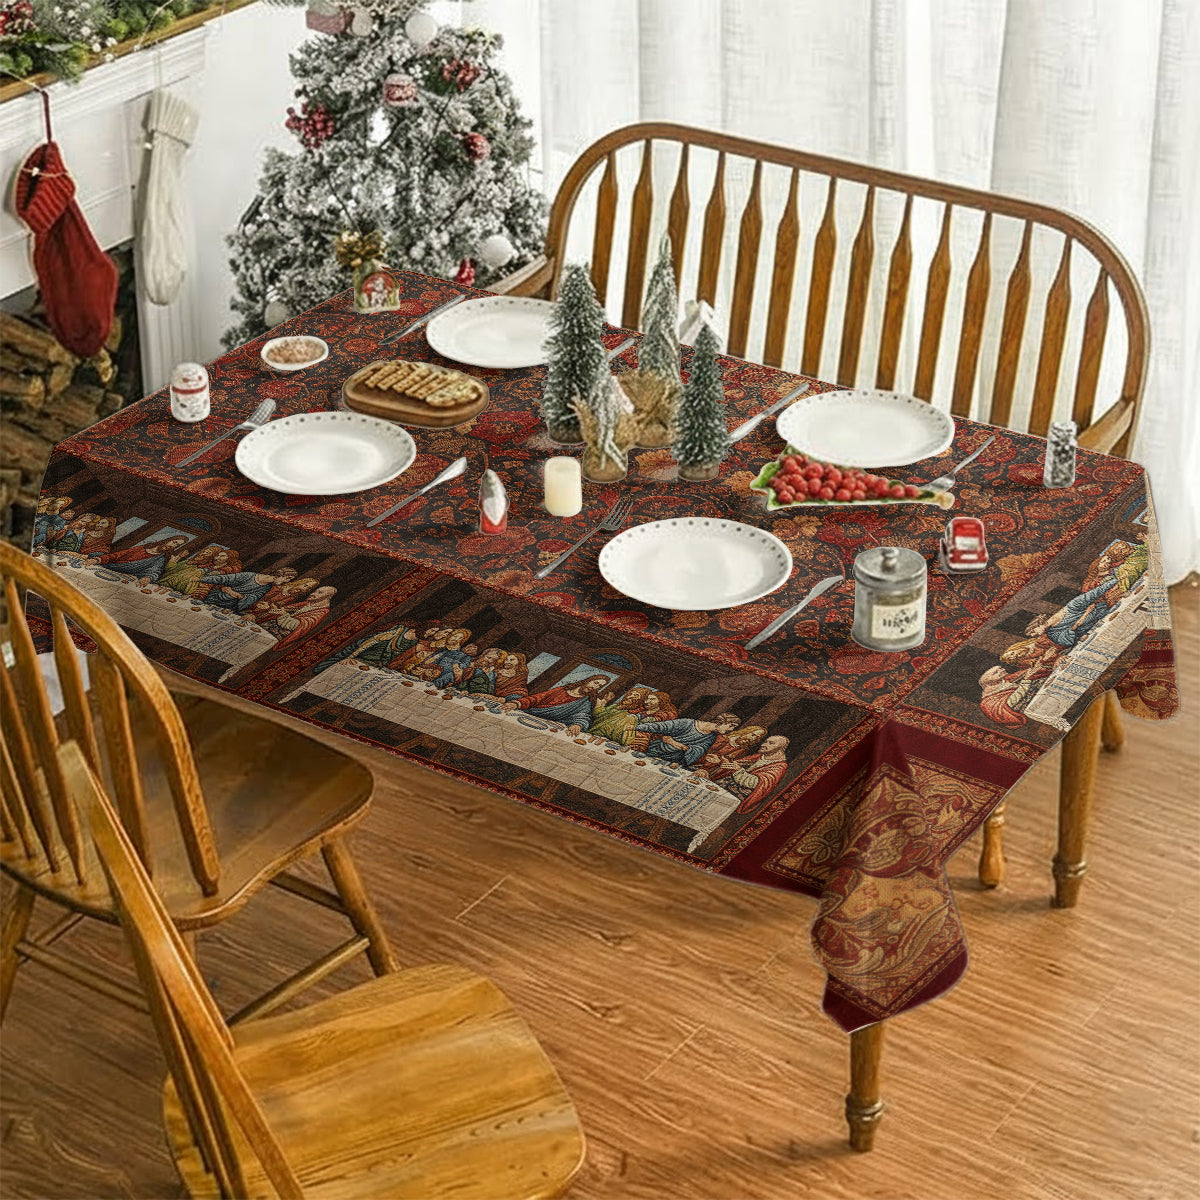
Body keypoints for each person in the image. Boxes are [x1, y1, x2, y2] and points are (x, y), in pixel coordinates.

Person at [501, 674, 610, 736]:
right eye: (595, 683)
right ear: (588, 680)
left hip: (548, 728)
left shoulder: (585, 702)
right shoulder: (561, 690)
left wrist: (578, 724)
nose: (595, 687)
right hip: (530, 716)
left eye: (599, 687)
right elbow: (537, 698)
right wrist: (517, 703)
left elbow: (583, 716)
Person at [636, 712, 741, 769]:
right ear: (721, 721)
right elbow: (660, 726)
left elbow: (697, 752)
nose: (731, 729)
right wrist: (635, 727)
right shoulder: (687, 723)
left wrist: (673, 743)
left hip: (673, 763)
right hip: (655, 753)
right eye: (731, 725)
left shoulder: (711, 737)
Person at [728, 735, 791, 813]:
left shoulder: (779, 766)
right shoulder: (761, 756)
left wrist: (738, 770)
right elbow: (739, 762)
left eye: (771, 743)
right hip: (735, 783)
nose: (763, 745)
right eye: (765, 742)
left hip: (744, 793)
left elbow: (755, 783)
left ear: (780, 749)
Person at [200, 565, 297, 613]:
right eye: (288, 578)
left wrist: (234, 593)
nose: (286, 581)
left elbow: (251, 600)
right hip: (215, 599)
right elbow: (224, 579)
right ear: (281, 575)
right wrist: (201, 579)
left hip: (228, 608)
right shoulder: (249, 576)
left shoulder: (267, 587)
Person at [265, 585, 337, 649]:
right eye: (315, 591)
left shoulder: (322, 612)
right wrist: (272, 608)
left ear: (328, 597)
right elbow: (286, 608)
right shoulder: (308, 603)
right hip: (277, 625)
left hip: (283, 633)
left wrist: (283, 614)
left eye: (320, 593)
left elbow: (297, 626)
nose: (312, 594)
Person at [102, 534, 192, 584]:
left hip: (123, 578)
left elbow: (156, 571)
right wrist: (99, 559)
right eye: (174, 542)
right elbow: (118, 555)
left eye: (177, 545)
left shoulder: (161, 558)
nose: (173, 546)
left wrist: (148, 578)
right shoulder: (143, 548)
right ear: (169, 540)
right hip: (109, 568)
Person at [698, 725, 767, 781]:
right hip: (702, 761)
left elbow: (729, 760)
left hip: (714, 767)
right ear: (746, 732)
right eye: (752, 735)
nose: (753, 739)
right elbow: (706, 751)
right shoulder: (723, 739)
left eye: (757, 738)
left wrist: (724, 761)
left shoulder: (743, 749)